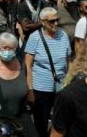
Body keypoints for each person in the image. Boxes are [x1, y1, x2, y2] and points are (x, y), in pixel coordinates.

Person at [25, 7, 71, 137]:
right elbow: (28, 65)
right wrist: (30, 90)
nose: (55, 23)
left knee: (60, 120)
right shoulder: (35, 38)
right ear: (43, 22)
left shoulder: (63, 35)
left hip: (61, 86)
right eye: (52, 21)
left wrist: (68, 82)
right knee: (41, 122)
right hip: (41, 87)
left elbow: (68, 62)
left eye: (57, 20)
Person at [0, 32, 38, 136]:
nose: (8, 51)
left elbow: (28, 87)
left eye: (11, 48)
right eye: (5, 48)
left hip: (22, 119)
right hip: (0, 124)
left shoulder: (22, 65)